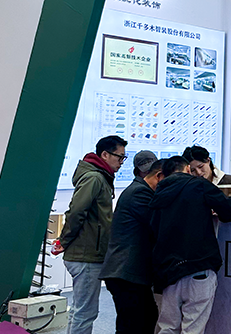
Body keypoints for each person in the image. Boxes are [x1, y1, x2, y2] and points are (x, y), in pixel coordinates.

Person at [150, 156, 231, 334]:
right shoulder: (199, 185)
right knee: (192, 328)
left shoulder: (158, 195)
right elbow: (229, 211)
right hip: (198, 267)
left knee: (168, 327)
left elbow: (153, 231)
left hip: (169, 272)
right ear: (186, 169)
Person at [55, 135, 128, 334]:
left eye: (124, 158)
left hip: (87, 253)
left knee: (80, 310)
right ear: (105, 154)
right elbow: (76, 212)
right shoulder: (94, 178)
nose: (121, 162)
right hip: (85, 255)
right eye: (119, 157)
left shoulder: (100, 176)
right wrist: (64, 240)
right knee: (85, 313)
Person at [100, 152, 164, 334]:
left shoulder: (139, 190)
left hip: (128, 273)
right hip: (126, 273)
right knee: (134, 324)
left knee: (142, 319)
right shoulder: (139, 193)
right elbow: (158, 224)